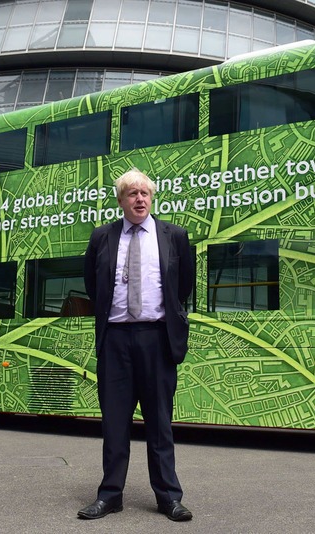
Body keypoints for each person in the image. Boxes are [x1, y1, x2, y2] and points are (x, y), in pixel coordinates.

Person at [78, 168, 195, 522]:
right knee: (114, 422)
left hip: (156, 339)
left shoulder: (174, 236)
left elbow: (183, 286)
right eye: (132, 194)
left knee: (159, 421)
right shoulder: (102, 237)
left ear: (152, 198)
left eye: (145, 193)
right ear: (121, 201)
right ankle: (110, 495)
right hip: (115, 340)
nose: (140, 199)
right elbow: (92, 284)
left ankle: (168, 497)